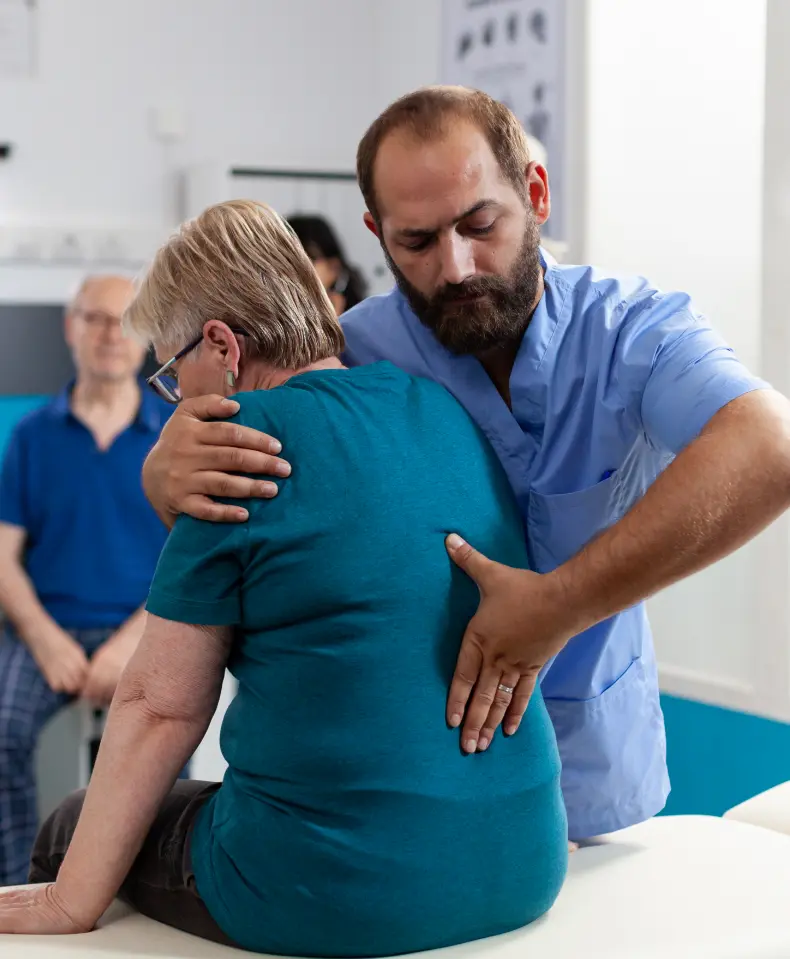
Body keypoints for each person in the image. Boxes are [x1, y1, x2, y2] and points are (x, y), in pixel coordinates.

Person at [138, 86, 790, 842]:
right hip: (411, 789)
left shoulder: (629, 331)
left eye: (480, 224)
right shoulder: (352, 354)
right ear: (377, 235)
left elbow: (768, 445)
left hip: (589, 786)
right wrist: (164, 468)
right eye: (415, 243)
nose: (455, 268)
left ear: (535, 194)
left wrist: (561, 603)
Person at [0, 201, 568, 955]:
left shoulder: (236, 450)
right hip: (525, 861)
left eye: (172, 374)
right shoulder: (439, 407)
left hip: (337, 887)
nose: (173, 405)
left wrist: (72, 900)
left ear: (222, 346)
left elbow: (160, 707)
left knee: (72, 829)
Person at [0, 275, 172, 886]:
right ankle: (17, 884)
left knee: (166, 744)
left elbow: (197, 557)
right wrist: (46, 640)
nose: (110, 335)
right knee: (1, 731)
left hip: (152, 625)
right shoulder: (30, 436)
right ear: (71, 328)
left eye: (125, 320)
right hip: (48, 628)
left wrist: (130, 643)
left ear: (147, 336)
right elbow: (3, 558)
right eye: (95, 318)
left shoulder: (176, 433)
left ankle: (147, 886)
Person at [287, 214, 368, 314]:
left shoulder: (362, 321)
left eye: (306, 258)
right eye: (284, 259)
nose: (290, 268)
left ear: (333, 266)